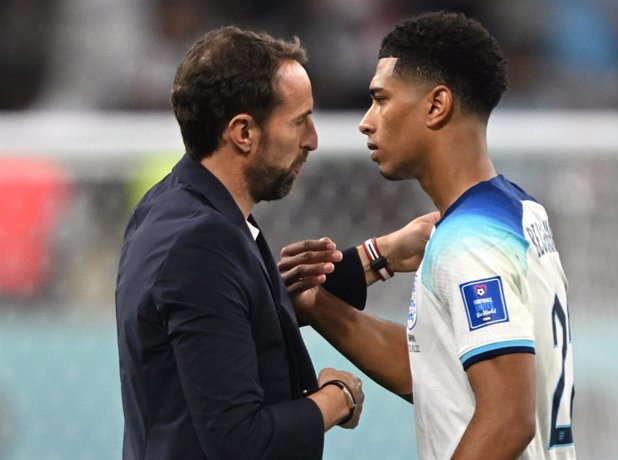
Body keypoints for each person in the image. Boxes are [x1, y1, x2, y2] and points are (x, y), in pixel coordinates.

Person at [115, 26, 435, 460]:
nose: (313, 140)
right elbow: (239, 440)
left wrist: (378, 257)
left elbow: (235, 315)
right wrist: (336, 397)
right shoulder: (200, 244)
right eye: (299, 121)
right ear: (243, 133)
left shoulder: (175, 207)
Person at [280, 11, 576, 460]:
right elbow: (429, 372)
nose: (366, 121)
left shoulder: (470, 243)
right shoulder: (519, 210)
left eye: (381, 99)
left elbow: (508, 419)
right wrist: (318, 305)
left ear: (437, 106)